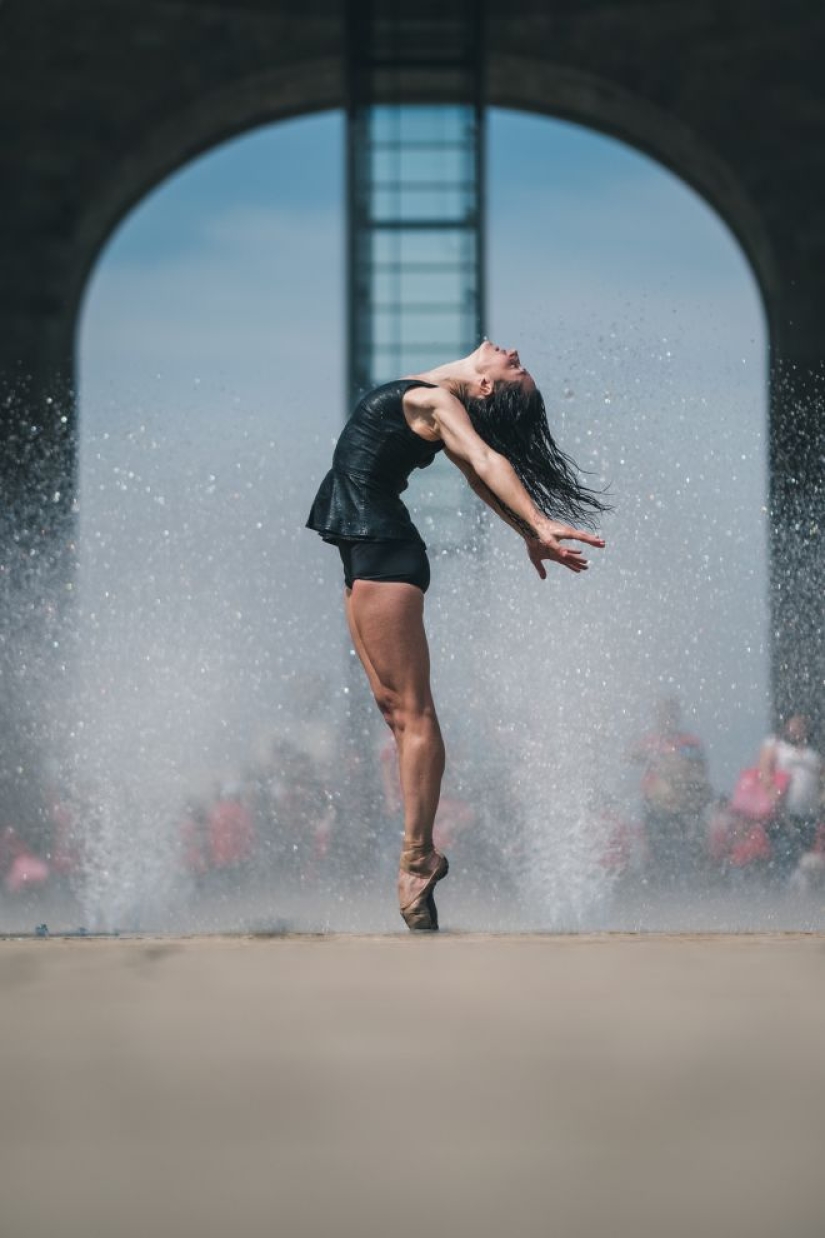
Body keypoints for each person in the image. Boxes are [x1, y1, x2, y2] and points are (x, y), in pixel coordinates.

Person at [306, 340, 607, 930]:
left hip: (384, 555)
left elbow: (489, 462)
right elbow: (474, 475)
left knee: (414, 716)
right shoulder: (434, 401)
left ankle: (418, 858)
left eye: (514, 367)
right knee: (396, 713)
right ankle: (420, 859)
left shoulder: (433, 400)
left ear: (488, 387)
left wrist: (540, 521)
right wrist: (525, 530)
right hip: (369, 553)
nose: (513, 351)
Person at [759, 714, 823, 878]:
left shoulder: (813, 753)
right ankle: (783, 893)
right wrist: (772, 793)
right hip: (784, 812)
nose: (798, 728)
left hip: (809, 813)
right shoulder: (777, 746)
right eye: (794, 724)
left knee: (805, 854)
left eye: (802, 724)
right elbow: (764, 771)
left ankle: (800, 894)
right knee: (785, 853)